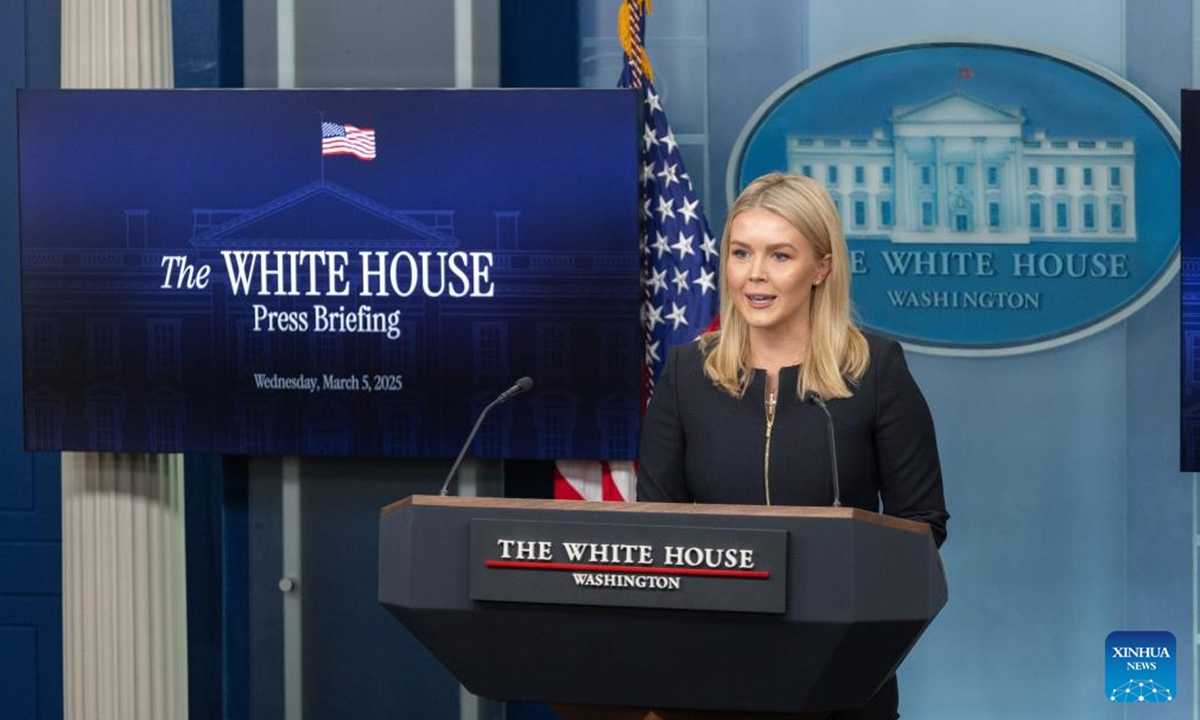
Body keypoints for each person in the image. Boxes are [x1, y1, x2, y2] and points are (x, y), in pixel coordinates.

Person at [636, 172, 948, 720]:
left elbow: (921, 524)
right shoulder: (687, 374)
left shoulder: (875, 371)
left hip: (841, 680)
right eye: (740, 253)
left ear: (821, 268)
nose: (754, 274)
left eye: (779, 255)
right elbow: (655, 526)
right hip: (711, 677)